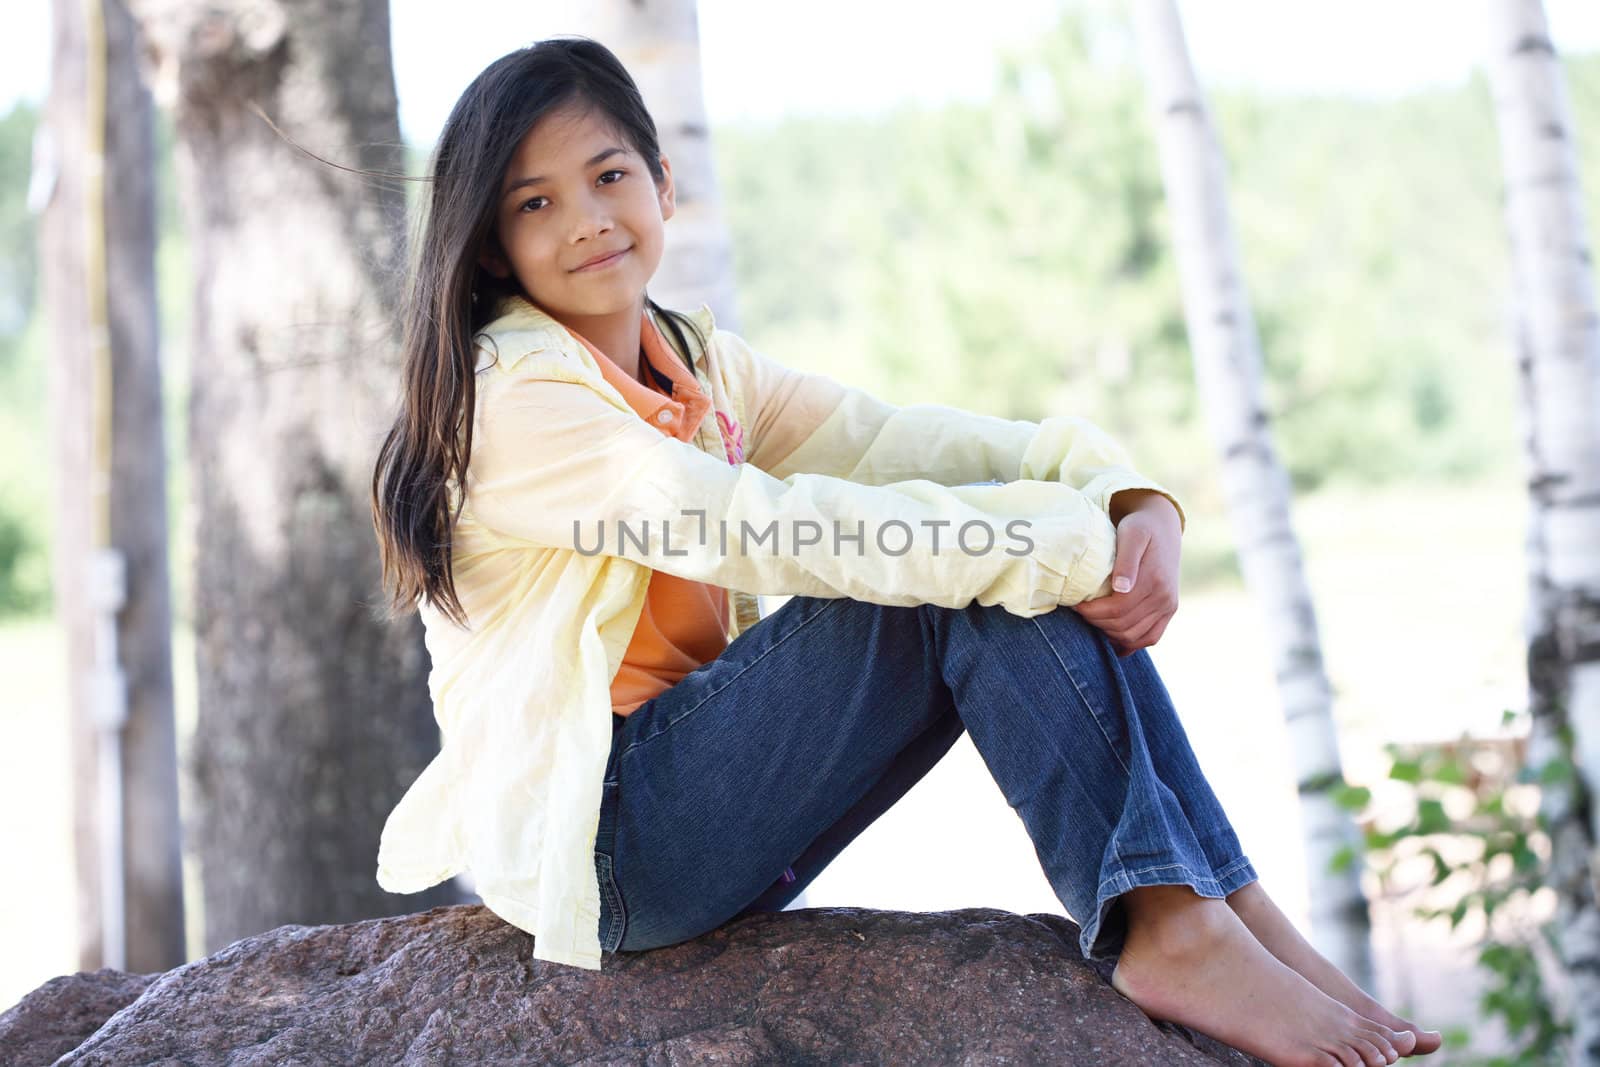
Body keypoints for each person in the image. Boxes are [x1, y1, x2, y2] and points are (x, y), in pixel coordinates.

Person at [368, 36, 1440, 1067]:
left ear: (663, 182)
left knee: (981, 557)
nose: (586, 220)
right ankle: (1171, 920)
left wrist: (1113, 489)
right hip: (606, 846)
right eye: (534, 202)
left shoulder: (690, 359)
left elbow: (891, 441)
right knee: (955, 575)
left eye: (608, 175)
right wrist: (1062, 546)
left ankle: (1219, 901)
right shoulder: (513, 400)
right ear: (492, 244)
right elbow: (761, 529)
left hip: (693, 806)